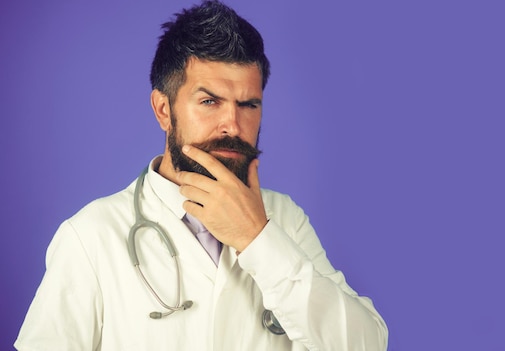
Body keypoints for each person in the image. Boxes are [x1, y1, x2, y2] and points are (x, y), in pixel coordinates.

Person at [14, 1, 388, 350]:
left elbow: (366, 343)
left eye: (249, 105)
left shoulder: (284, 218)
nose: (233, 124)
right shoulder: (90, 237)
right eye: (210, 102)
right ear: (164, 110)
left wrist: (256, 239)